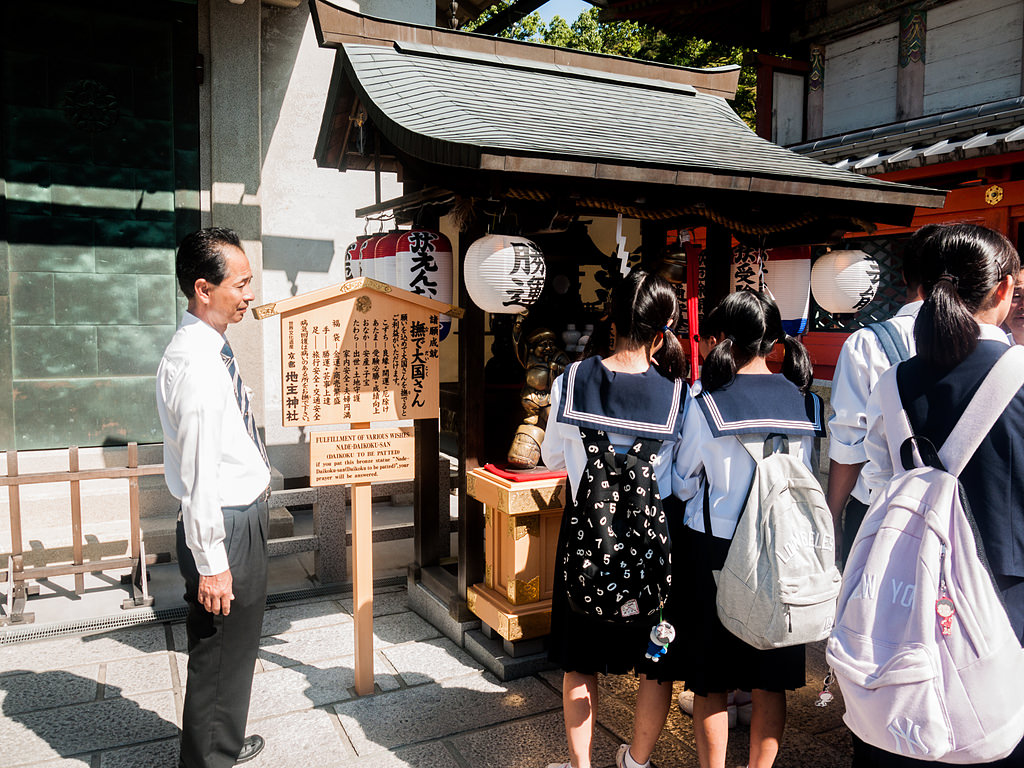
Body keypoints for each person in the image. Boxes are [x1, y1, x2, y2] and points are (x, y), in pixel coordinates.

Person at [860, 223, 1024, 768]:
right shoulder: (1020, 378)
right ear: (1003, 291)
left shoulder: (893, 384)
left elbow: (882, 482)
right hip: (1008, 601)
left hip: (911, 600)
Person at [667, 290, 825, 768]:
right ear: (772, 341)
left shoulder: (706, 404)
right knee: (769, 679)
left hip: (713, 552)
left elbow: (682, 479)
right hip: (784, 553)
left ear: (724, 342)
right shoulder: (806, 404)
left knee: (710, 681)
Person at [541, 269, 687, 768]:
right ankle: (636, 761)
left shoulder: (571, 380)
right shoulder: (677, 395)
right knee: (655, 663)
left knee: (580, 660)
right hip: (650, 544)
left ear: (611, 316)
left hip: (586, 539)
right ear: (663, 328)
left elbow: (550, 461)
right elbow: (682, 481)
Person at [156, 227, 271, 768]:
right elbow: (200, 476)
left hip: (234, 518)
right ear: (204, 289)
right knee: (220, 652)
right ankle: (209, 759)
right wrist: (213, 563)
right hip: (223, 524)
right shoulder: (199, 366)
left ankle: (220, 742)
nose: (249, 294)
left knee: (232, 650)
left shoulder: (208, 348)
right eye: (241, 284)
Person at [826, 225, 937, 564]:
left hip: (878, 510)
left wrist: (832, 516)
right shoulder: (985, 345)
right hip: (951, 518)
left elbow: (850, 444)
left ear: (903, 275)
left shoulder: (867, 343)